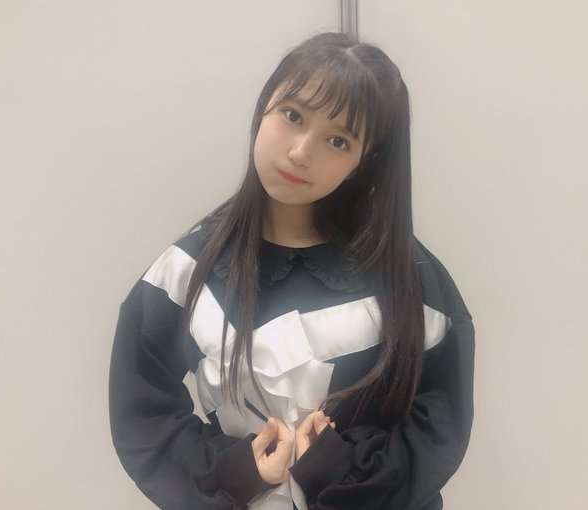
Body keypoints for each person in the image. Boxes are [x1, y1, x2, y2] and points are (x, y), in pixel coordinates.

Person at [109, 32, 474, 510]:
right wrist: (231, 473)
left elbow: (439, 427)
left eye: (338, 140)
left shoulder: (410, 280)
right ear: (264, 107)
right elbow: (141, 410)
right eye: (293, 115)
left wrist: (342, 471)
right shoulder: (186, 270)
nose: (301, 152)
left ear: (365, 161)